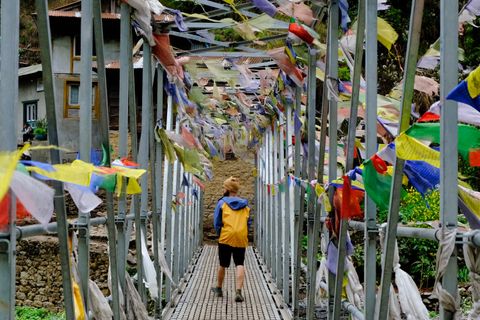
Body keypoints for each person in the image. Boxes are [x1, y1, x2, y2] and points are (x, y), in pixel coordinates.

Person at [211, 176, 250, 302]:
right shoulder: (245, 204)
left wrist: (220, 233)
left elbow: (217, 222)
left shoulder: (222, 203)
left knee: (223, 264)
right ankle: (238, 292)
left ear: (227, 189)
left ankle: (219, 289)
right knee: (240, 263)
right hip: (241, 236)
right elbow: (248, 221)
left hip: (226, 236)